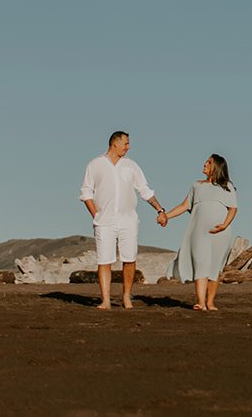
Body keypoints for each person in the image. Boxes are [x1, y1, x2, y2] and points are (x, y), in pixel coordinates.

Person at [79, 131, 165, 310]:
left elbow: (145, 191)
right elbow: (86, 192)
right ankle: (106, 300)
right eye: (126, 143)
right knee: (104, 260)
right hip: (104, 221)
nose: (128, 147)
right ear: (115, 144)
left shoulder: (131, 166)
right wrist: (96, 214)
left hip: (128, 221)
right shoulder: (95, 165)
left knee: (129, 258)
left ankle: (126, 297)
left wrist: (160, 209)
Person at [158, 153, 238, 311]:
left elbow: (233, 209)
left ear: (217, 166)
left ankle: (210, 302)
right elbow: (184, 206)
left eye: (208, 162)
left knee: (215, 267)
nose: (204, 164)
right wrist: (166, 216)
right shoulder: (197, 185)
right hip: (199, 232)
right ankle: (201, 302)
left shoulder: (226, 186)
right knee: (200, 263)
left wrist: (224, 225)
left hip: (220, 233)